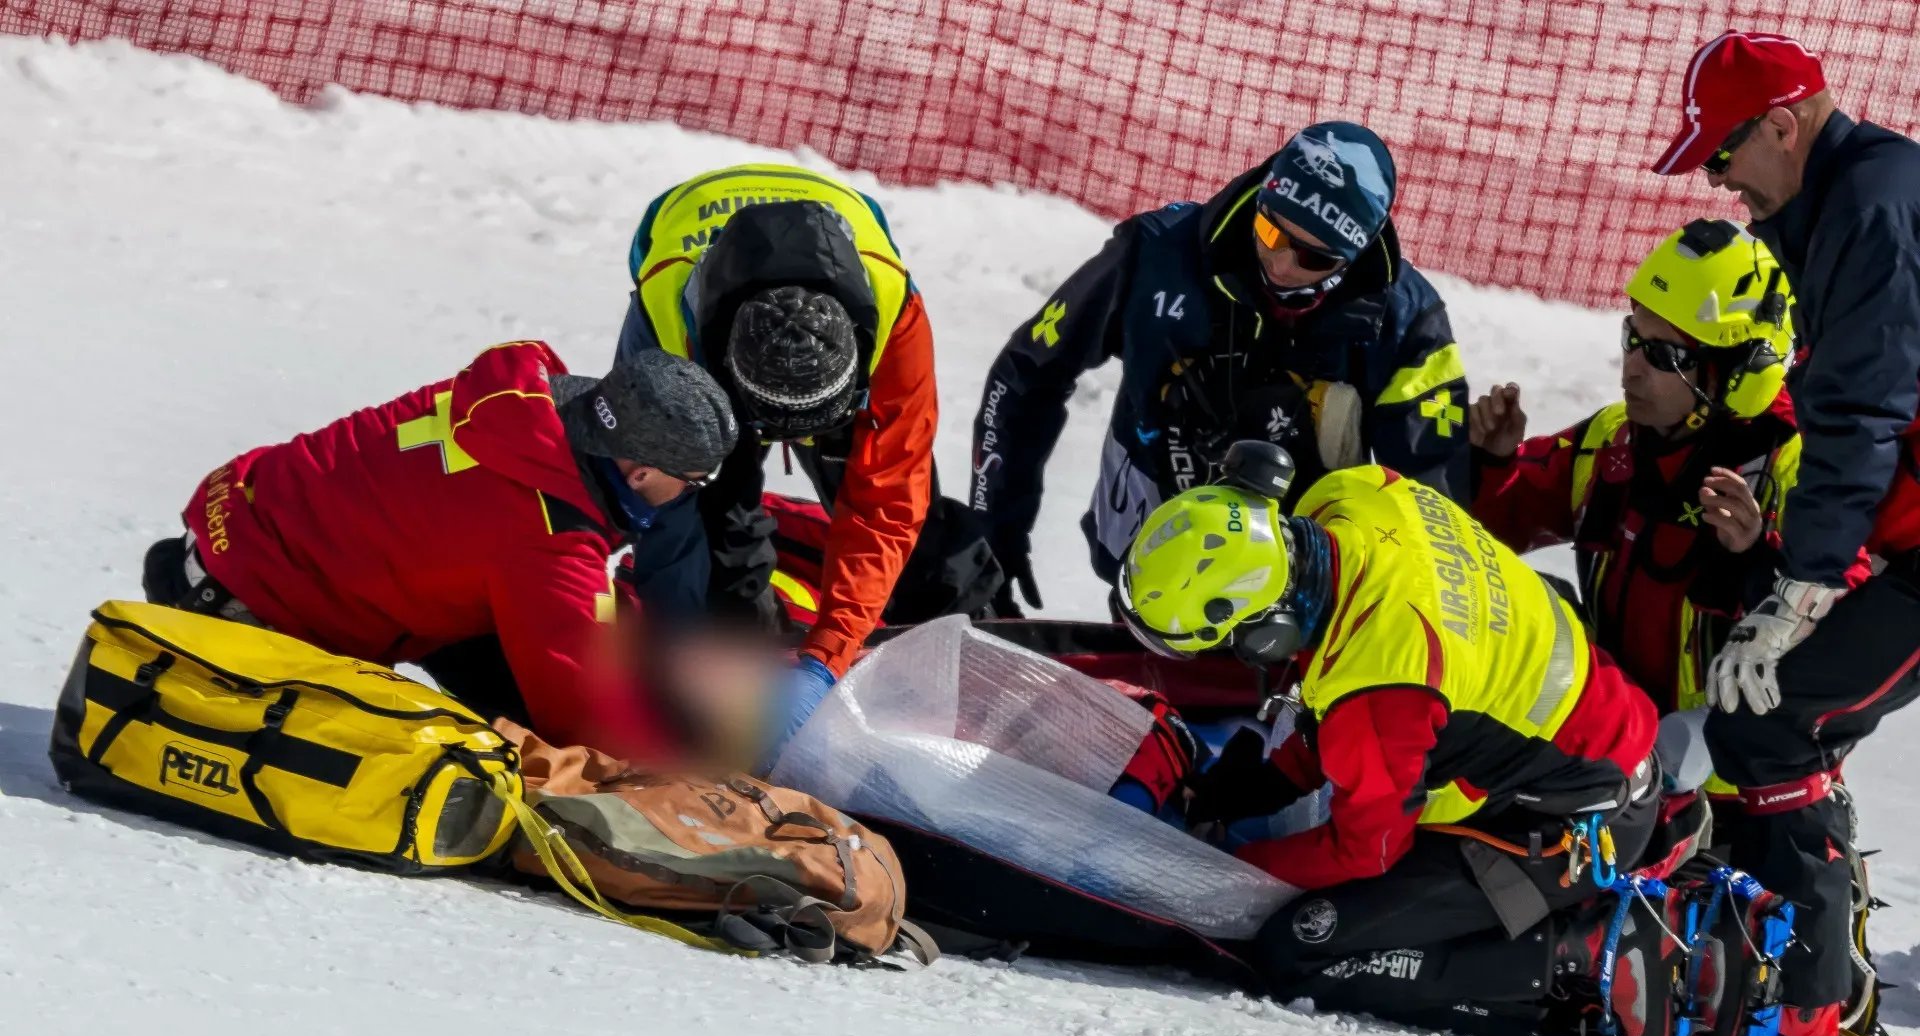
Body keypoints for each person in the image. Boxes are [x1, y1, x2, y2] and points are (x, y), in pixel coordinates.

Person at [1113, 457, 1683, 1036]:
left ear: (1265, 635)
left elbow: (1367, 850)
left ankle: (1584, 947)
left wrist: (1234, 869)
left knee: (1297, 949)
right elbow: (1342, 695)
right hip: (1598, 730)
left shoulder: (1383, 689)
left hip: (1580, 824)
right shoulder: (1350, 493)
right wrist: (1258, 787)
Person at [1650, 32, 1920, 1036]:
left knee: (1774, 726)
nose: (1719, 183)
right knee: (1781, 726)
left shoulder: (1870, 207)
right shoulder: (1850, 199)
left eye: (1722, 156)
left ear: (1780, 125)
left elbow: (1861, 410)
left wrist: (1806, 583)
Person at [142, 341, 737, 762]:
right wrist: (686, 778)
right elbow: (589, 718)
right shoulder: (547, 538)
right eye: (691, 480)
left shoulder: (509, 402)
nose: (688, 494)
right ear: (636, 472)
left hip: (234, 518)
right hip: (247, 605)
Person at [968, 121, 1470, 613]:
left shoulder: (1410, 324)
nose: (1281, 264)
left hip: (1308, 594)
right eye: (1271, 230)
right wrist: (995, 529)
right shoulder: (1155, 252)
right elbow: (1027, 371)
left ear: (1354, 256)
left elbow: (1433, 503)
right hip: (1150, 558)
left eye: (1313, 259)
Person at [614, 162, 956, 759]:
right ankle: (743, 653)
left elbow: (888, 504)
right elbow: (660, 501)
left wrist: (827, 658)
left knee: (921, 537)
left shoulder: (896, 318)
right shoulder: (667, 321)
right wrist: (682, 642)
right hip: (681, 233)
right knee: (715, 510)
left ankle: (946, 643)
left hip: (837, 245)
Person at [1469, 218, 1817, 719]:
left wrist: (1752, 559)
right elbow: (1497, 532)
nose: (1630, 367)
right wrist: (1494, 461)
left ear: (1736, 372)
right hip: (1612, 738)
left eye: (1663, 355)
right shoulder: (1611, 438)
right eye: (1633, 338)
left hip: (1732, 773)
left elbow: (1832, 641)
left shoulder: (1795, 469)